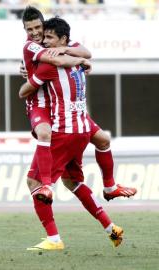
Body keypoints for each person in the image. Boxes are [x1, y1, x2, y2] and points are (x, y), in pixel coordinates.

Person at [19, 17, 124, 251]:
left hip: (61, 125)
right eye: (35, 32)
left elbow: (23, 91)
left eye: (46, 34)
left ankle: (54, 238)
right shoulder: (64, 56)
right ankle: (111, 226)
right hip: (81, 128)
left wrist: (31, 78)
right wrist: (80, 60)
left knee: (34, 180)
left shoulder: (51, 62)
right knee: (73, 180)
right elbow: (84, 55)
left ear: (62, 39)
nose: (41, 38)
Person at [20, 6, 136, 204]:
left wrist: (70, 51)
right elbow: (53, 61)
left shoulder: (57, 38)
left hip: (70, 109)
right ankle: (46, 185)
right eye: (29, 30)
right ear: (25, 30)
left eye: (38, 28)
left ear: (44, 24)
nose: (35, 33)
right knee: (44, 133)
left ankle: (109, 187)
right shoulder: (32, 46)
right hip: (41, 103)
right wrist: (80, 60)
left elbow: (86, 52)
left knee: (103, 140)